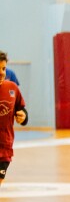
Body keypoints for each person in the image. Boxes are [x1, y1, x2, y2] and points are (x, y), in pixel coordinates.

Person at [0, 51, 28, 187]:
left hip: (5, 145)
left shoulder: (12, 88)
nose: (1, 73)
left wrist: (23, 116)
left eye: (3, 68)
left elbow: (21, 110)